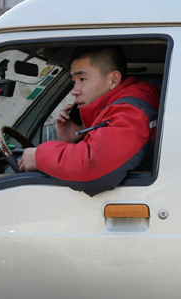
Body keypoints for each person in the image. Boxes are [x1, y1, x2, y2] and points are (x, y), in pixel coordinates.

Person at [18, 46, 160, 196]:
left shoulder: (130, 112)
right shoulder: (129, 104)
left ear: (113, 80)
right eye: (74, 81)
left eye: (82, 79)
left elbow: (92, 166)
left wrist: (40, 156)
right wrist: (75, 138)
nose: (74, 90)